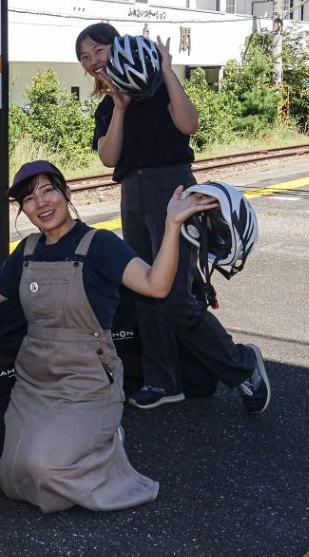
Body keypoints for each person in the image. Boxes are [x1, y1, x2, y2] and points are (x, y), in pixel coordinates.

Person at [0, 160, 216, 513]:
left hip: (86, 382)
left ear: (66, 193)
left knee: (42, 469)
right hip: (35, 381)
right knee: (5, 471)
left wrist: (171, 225)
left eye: (48, 191)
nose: (41, 204)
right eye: (30, 199)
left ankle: (107, 450)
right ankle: (79, 443)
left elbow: (156, 285)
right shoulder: (28, 250)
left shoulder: (100, 244)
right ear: (24, 210)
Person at [75, 21, 270, 413]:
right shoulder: (106, 107)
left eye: (99, 50)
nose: (93, 60)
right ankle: (164, 382)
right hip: (132, 193)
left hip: (174, 190)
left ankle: (243, 367)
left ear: (120, 46)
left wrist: (166, 68)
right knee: (147, 289)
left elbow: (189, 125)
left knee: (177, 297)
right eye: (84, 57)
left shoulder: (160, 88)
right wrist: (118, 108)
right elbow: (109, 158)